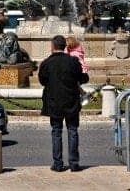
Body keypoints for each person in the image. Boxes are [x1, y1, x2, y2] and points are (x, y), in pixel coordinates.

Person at [39, 35, 89, 172]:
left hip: (54, 102)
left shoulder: (46, 63)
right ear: (64, 46)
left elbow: (42, 81)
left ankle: (58, 163)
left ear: (53, 46)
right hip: (71, 101)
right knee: (72, 131)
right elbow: (83, 78)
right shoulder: (73, 61)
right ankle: (74, 163)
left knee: (56, 132)